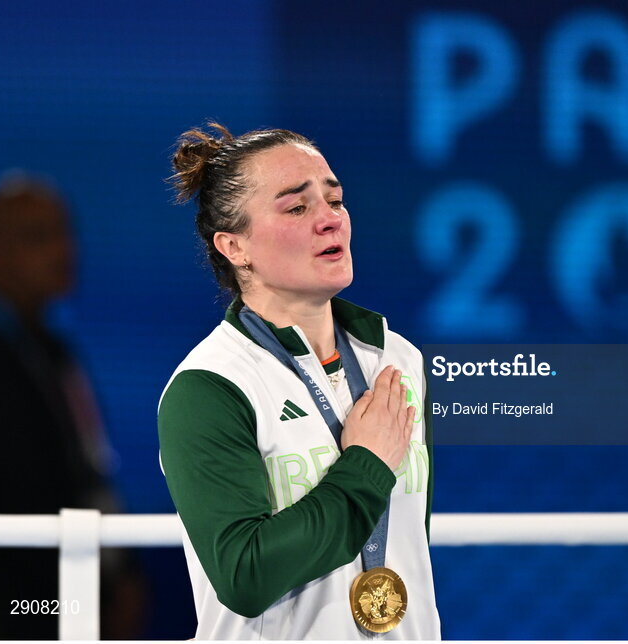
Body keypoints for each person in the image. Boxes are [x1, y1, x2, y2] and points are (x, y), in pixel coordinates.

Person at [159, 123, 439, 639]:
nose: (329, 220)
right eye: (297, 208)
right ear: (234, 246)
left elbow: (406, 545)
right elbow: (246, 575)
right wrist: (367, 466)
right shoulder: (210, 386)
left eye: (335, 200)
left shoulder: (398, 360)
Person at [0, 175, 147, 639]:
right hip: (2, 610)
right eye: (37, 237)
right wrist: (69, 607)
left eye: (64, 232)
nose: (62, 250)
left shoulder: (56, 354)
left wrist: (117, 578)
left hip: (76, 589)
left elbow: (87, 469)